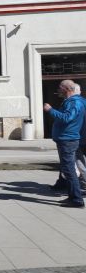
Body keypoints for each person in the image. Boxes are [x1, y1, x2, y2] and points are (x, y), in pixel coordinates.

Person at [44, 79, 86, 208]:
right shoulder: (73, 102)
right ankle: (71, 194)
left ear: (67, 89)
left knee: (69, 170)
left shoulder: (74, 103)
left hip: (68, 139)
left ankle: (76, 199)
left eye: (60, 88)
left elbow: (67, 118)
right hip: (67, 138)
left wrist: (50, 110)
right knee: (68, 168)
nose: (58, 90)